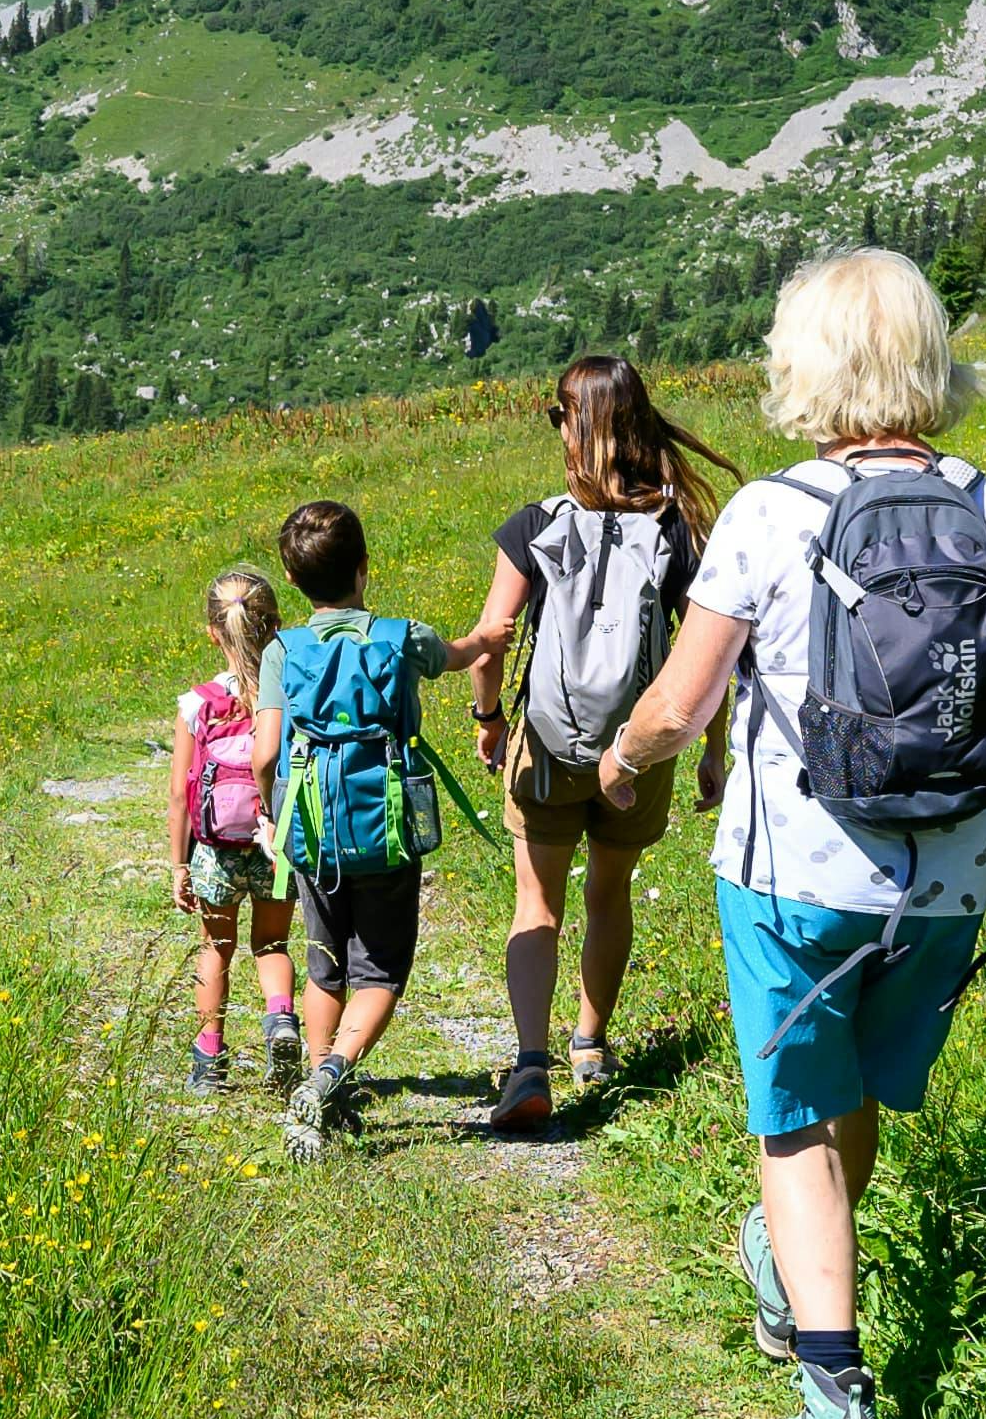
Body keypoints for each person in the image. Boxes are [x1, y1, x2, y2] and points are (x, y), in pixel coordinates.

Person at [599, 247, 986, 1419]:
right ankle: (795, 1269)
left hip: (793, 876)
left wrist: (620, 761)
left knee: (791, 1125)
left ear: (805, 366)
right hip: (947, 883)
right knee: (856, 1095)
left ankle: (833, 1398)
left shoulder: (774, 513)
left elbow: (681, 700)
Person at [431, 353, 719, 1133]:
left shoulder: (535, 525)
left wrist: (488, 721)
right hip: (642, 745)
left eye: (557, 415)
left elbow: (490, 643)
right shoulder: (680, 527)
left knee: (538, 902)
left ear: (573, 423)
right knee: (609, 892)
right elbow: (710, 651)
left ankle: (530, 1062)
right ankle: (590, 1043)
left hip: (548, 744)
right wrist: (711, 750)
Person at [259, 499, 452, 1152]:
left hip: (311, 832)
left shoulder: (282, 651)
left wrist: (271, 813)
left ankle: (315, 1088)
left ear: (291, 580)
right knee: (379, 972)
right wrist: (487, 640)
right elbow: (456, 654)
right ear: (365, 568)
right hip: (386, 827)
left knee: (324, 964)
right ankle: (329, 1081)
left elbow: (263, 753)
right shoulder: (402, 638)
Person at [165, 567, 301, 1089]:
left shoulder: (198, 703)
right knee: (272, 944)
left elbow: (180, 793)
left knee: (215, 946)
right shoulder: (288, 693)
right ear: (275, 625)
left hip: (215, 849)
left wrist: (179, 863)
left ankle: (209, 1060)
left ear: (213, 633)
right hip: (275, 844)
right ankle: (281, 1020)